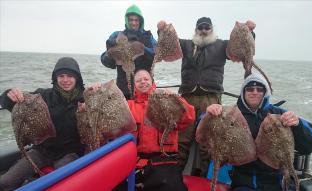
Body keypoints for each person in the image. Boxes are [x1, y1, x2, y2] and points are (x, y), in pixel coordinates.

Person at [204, 73, 312, 191]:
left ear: (265, 93)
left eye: (259, 89)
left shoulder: (279, 115)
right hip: (244, 180)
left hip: (275, 178)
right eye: (250, 89)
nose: (254, 92)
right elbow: (203, 127)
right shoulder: (231, 114)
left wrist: (297, 124)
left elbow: (311, 143)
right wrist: (210, 113)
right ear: (243, 92)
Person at [90, 69, 195, 191]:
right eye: (139, 80)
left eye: (146, 79)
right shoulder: (127, 106)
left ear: (152, 82)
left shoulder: (168, 100)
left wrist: (176, 99)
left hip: (163, 161)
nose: (143, 82)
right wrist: (97, 91)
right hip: (134, 161)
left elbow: (188, 117)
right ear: (134, 85)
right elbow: (104, 115)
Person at [177, 16, 256, 177]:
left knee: (209, 142)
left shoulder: (222, 46)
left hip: (211, 99)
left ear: (212, 29)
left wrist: (249, 32)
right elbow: (167, 42)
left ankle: (206, 178)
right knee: (182, 140)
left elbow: (239, 47)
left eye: (207, 27)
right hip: (187, 98)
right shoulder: (186, 45)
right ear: (196, 30)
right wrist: (162, 29)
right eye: (201, 28)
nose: (204, 30)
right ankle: (174, 176)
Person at [0, 57, 85, 190]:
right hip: (42, 150)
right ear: (55, 78)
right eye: (61, 76)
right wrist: (9, 95)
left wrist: (96, 89)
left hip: (69, 152)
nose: (65, 80)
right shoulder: (42, 96)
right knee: (5, 182)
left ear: (77, 78)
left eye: (70, 76)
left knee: (63, 186)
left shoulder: (85, 99)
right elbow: (11, 103)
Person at [100, 4, 157, 99]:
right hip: (123, 90)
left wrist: (142, 48)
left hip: (145, 89)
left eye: (136, 20)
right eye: (131, 20)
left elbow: (157, 55)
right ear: (126, 20)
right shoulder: (116, 35)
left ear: (140, 21)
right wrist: (110, 54)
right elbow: (105, 60)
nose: (133, 23)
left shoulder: (148, 37)